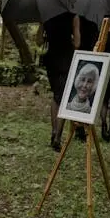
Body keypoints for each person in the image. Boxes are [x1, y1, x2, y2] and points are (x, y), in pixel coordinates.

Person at [40, 11, 80, 152]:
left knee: (56, 96)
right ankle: (58, 136)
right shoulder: (73, 16)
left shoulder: (46, 16)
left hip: (51, 59)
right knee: (64, 97)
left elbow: (39, 41)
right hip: (66, 59)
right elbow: (77, 42)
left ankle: (53, 131)